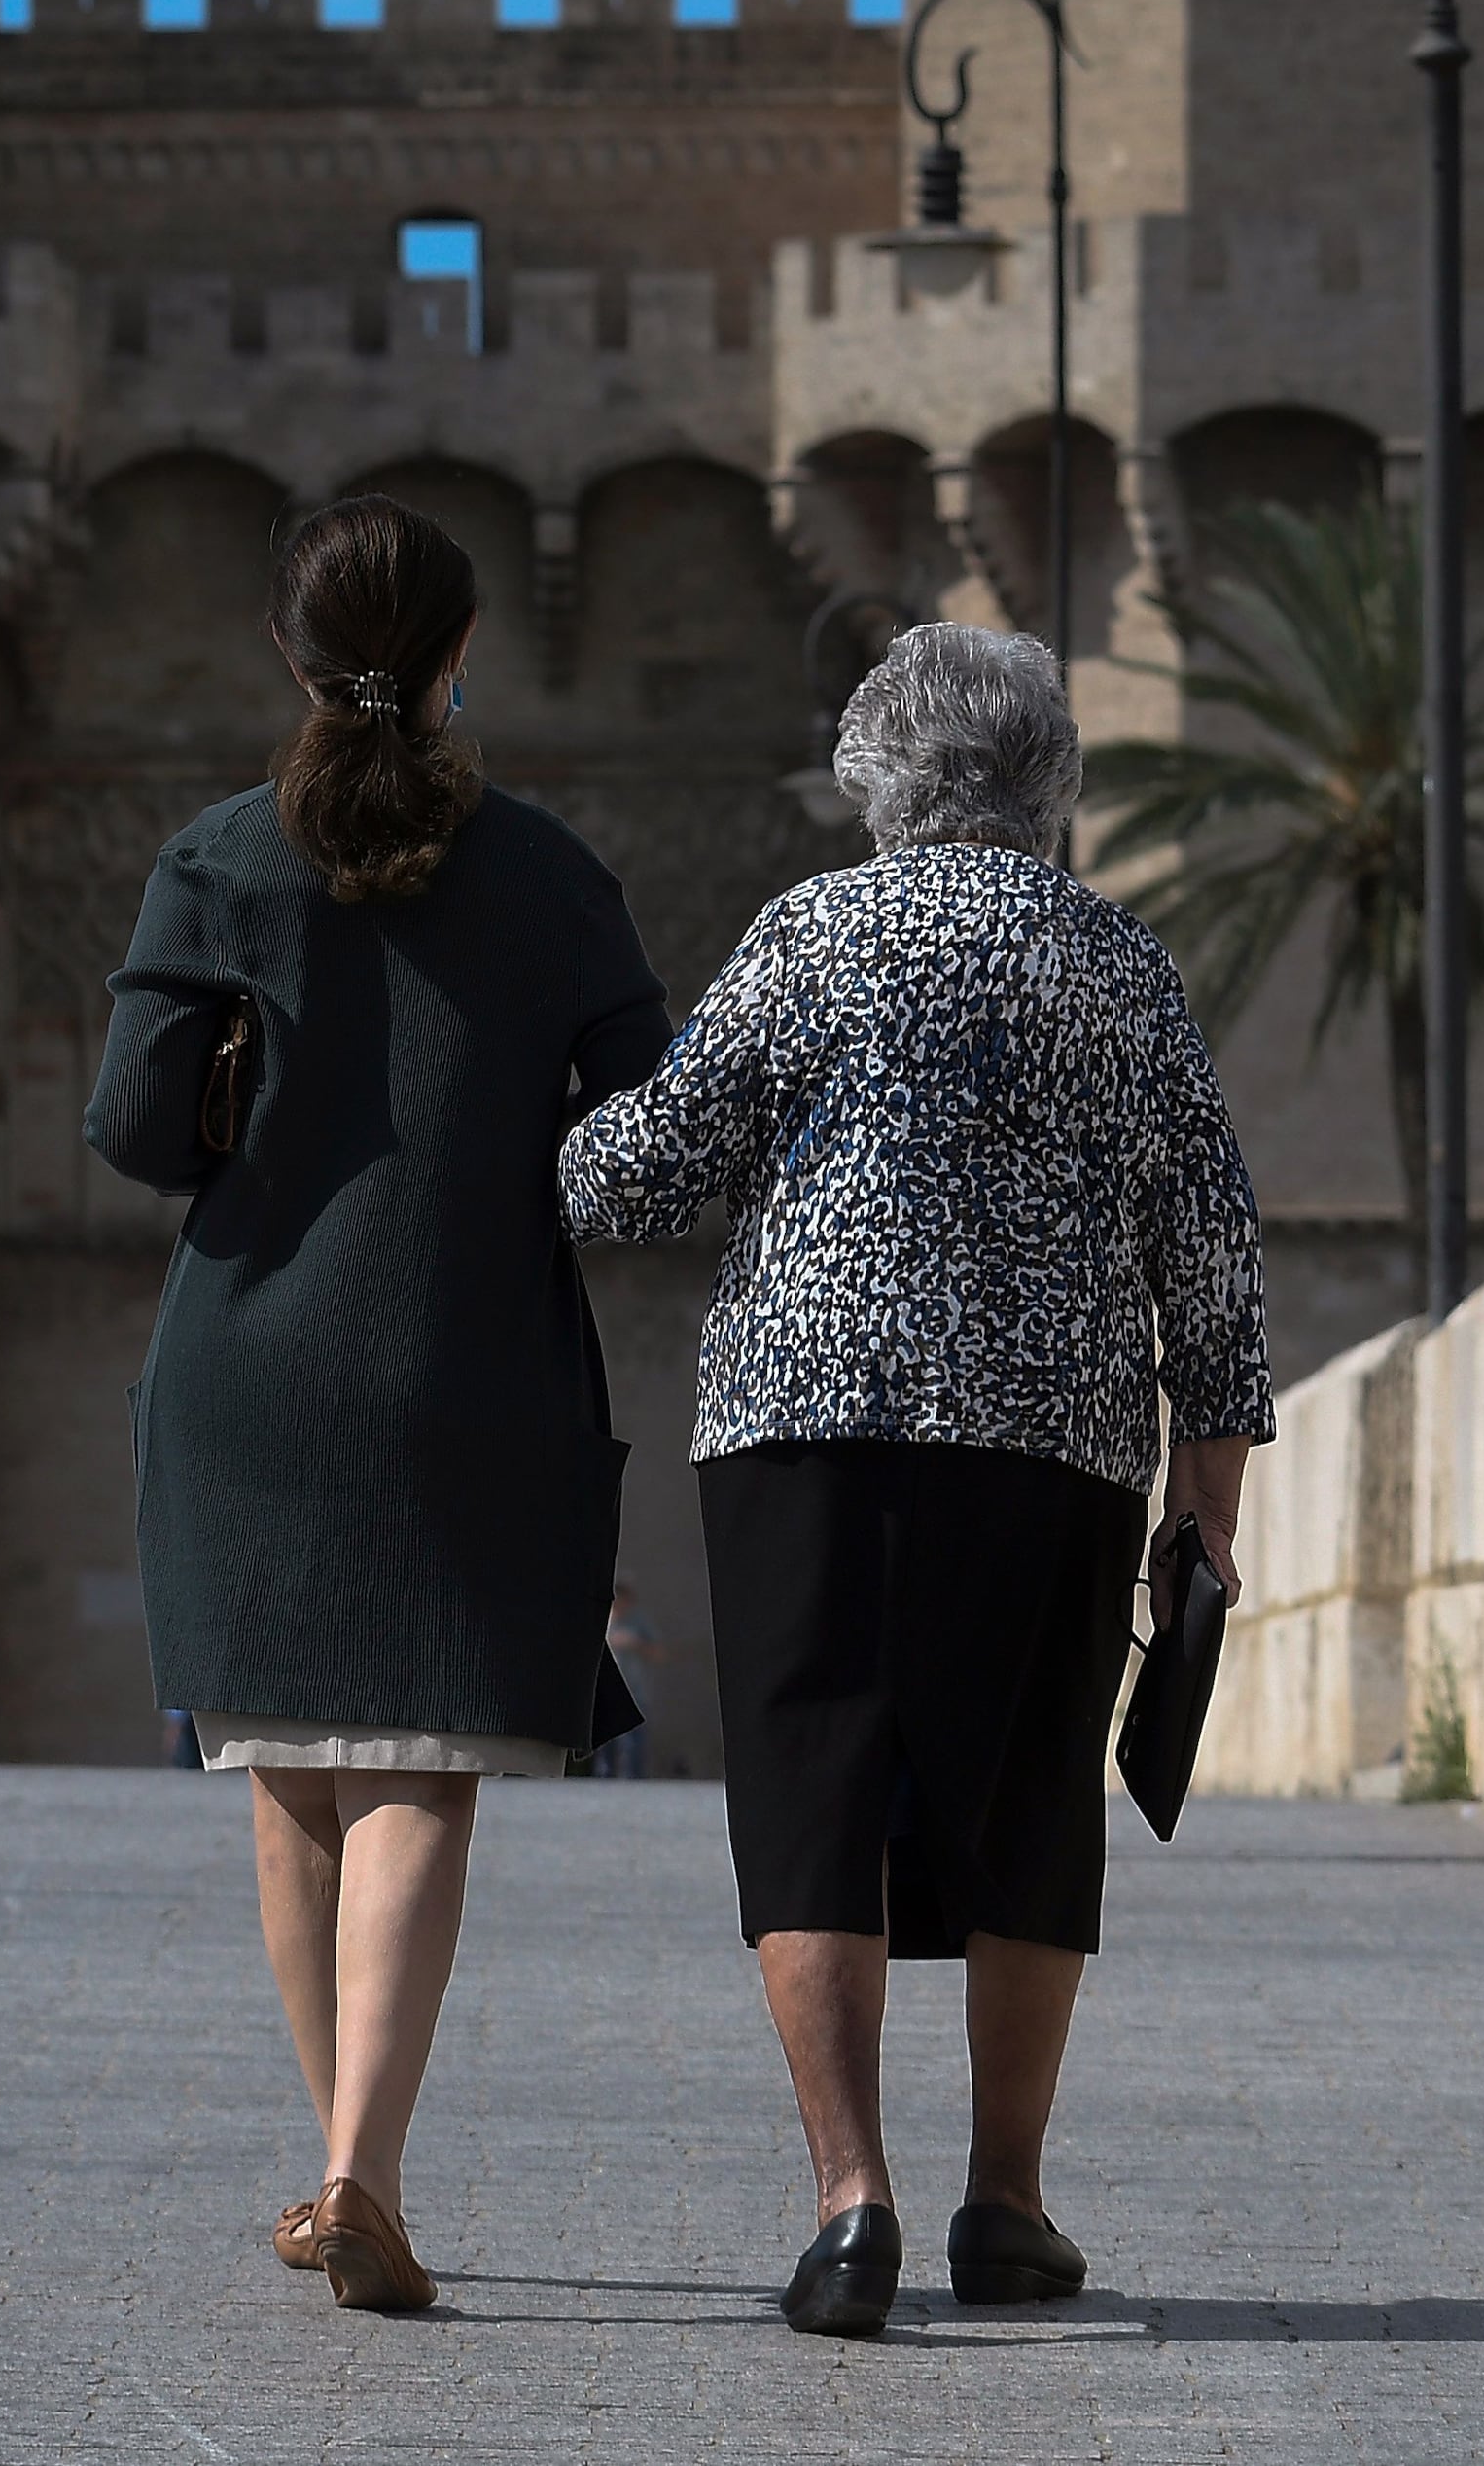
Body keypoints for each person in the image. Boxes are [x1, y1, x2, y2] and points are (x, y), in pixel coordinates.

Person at [561, 621, 1269, 2339]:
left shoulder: (811, 935)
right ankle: (1006, 2204)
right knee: (1031, 1805)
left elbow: (646, 1171)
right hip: (1055, 1444)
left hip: (809, 1424)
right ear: (1052, 786)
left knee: (815, 1799)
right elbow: (1216, 1255)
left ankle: (849, 2204)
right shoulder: (1118, 965)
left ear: (877, 776)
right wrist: (1205, 1519)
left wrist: (546, 1140)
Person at [80, 492, 668, 2315]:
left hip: (249, 1360)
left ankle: (344, 2163)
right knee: (420, 1764)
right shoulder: (558, 875)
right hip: (469, 1356)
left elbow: (127, 1128)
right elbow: (638, 1137)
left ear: (287, 646)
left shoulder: (216, 860)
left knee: (286, 1773)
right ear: (463, 653)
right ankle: (361, 2172)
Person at [590, 1580, 663, 1781]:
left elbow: (658, 1653)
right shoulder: (601, 1621)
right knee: (605, 1741)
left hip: (634, 1690)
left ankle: (634, 1779)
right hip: (603, 1691)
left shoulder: (638, 1622)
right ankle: (603, 1778)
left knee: (633, 1741)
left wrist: (635, 1643)